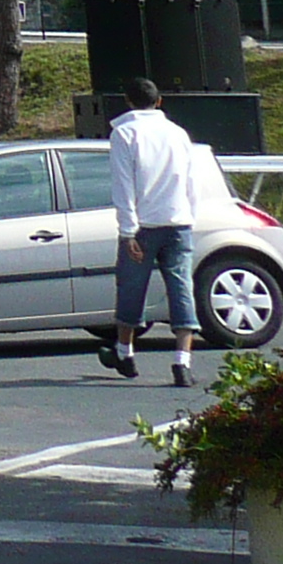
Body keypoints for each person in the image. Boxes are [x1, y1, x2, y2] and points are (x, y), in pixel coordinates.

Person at [101, 79, 200, 385]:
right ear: (159, 102)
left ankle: (125, 351)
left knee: (131, 286)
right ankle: (182, 361)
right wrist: (189, 216)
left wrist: (128, 231)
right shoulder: (178, 133)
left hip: (143, 225)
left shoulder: (124, 133)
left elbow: (124, 185)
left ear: (128, 101)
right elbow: (190, 181)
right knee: (181, 287)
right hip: (178, 221)